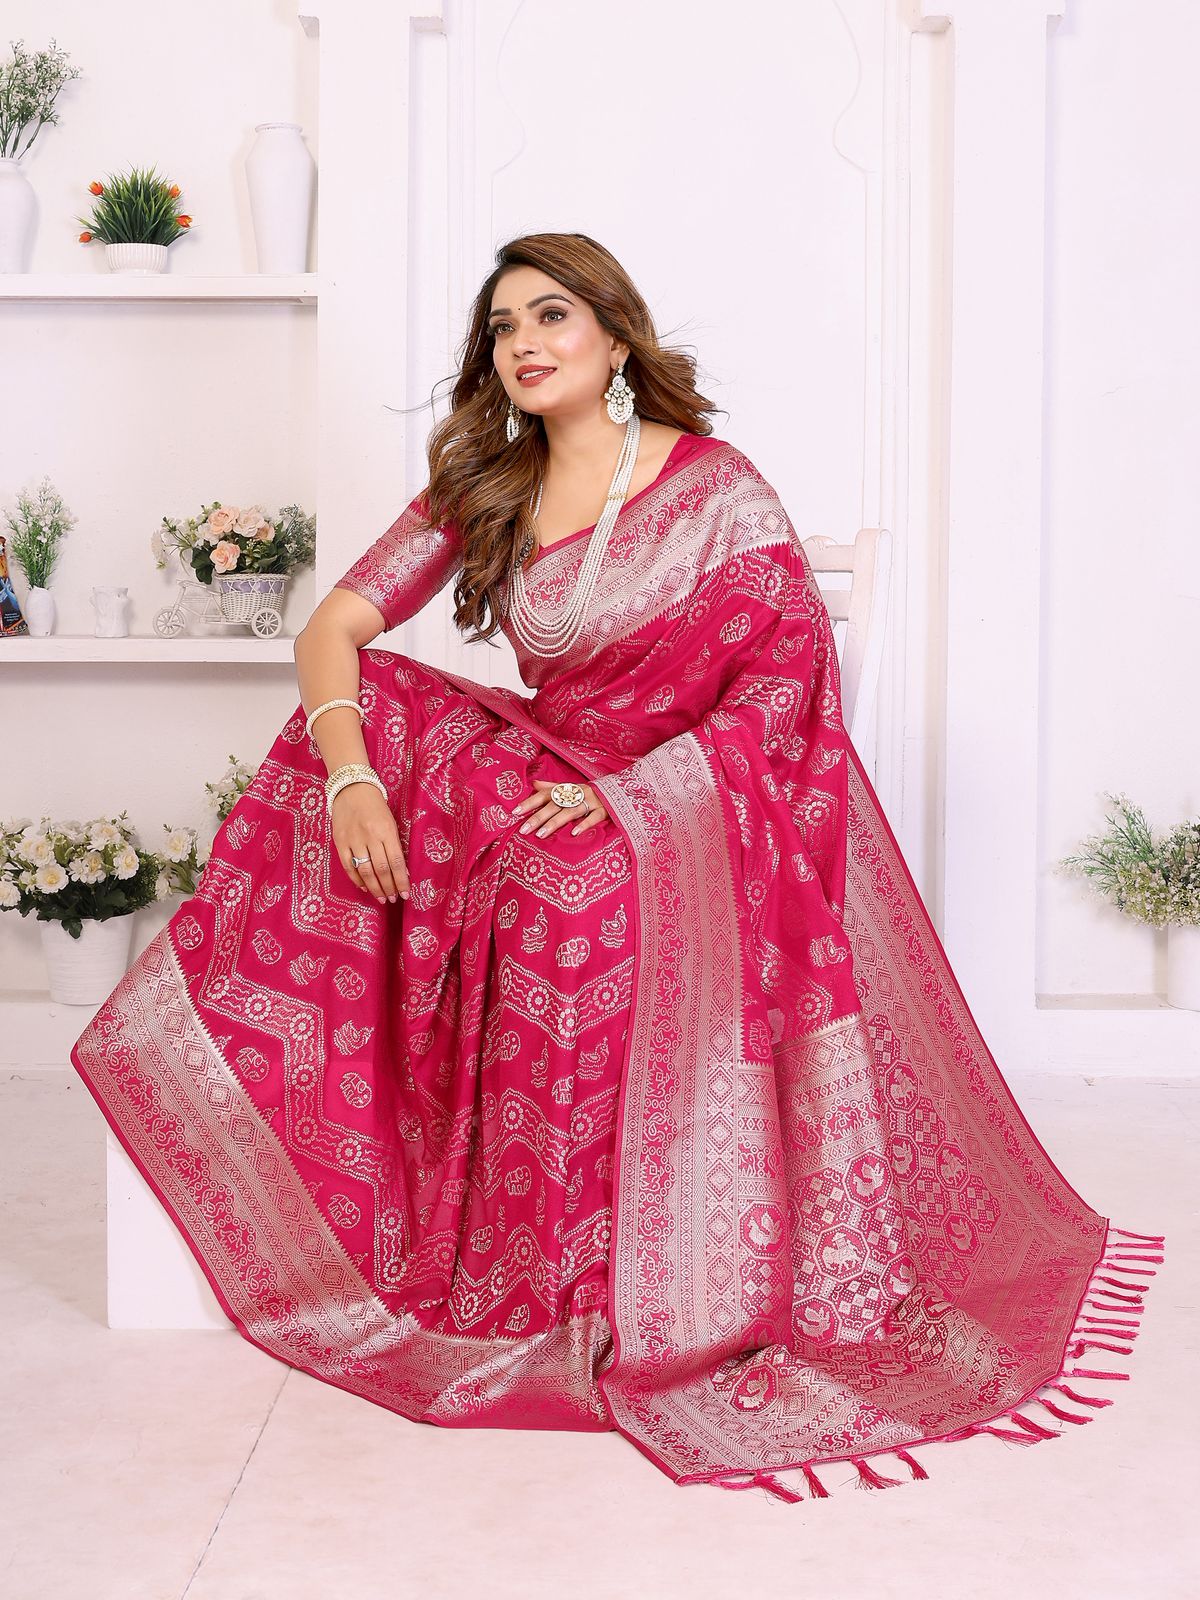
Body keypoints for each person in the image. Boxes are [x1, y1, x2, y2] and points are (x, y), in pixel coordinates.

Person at [70, 232, 1163, 1503]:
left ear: (616, 337)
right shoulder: (489, 481)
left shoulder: (719, 486)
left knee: (560, 894)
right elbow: (337, 625)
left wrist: (632, 795)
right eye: (500, 329)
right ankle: (424, 1184)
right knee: (372, 724)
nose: (523, 344)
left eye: (550, 316)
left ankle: (618, 1270)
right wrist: (357, 771)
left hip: (692, 807)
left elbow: (787, 683)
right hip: (542, 774)